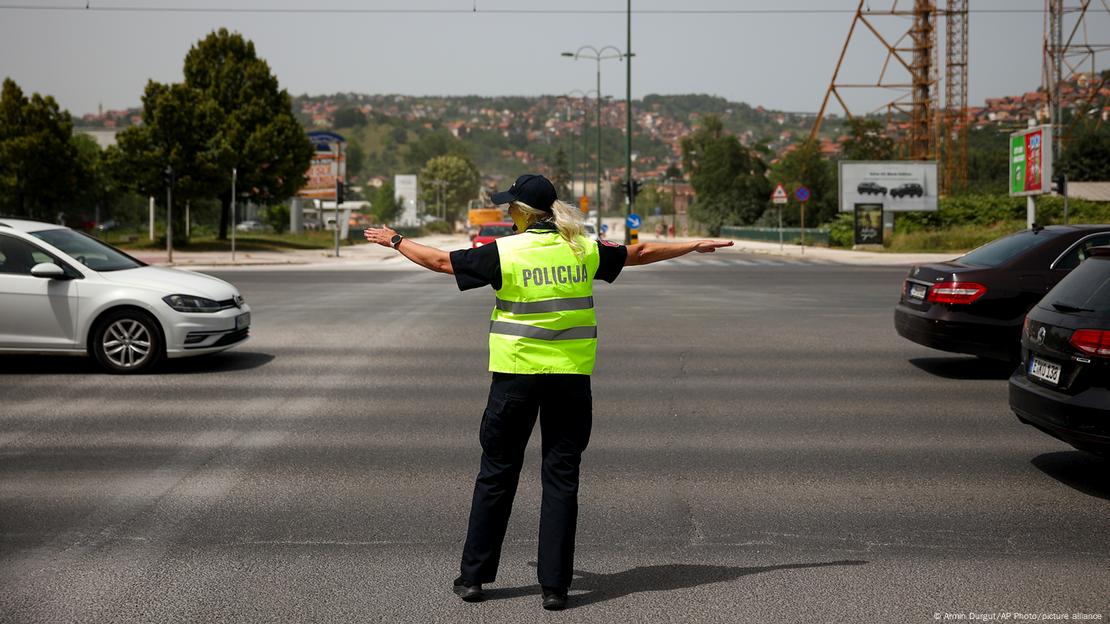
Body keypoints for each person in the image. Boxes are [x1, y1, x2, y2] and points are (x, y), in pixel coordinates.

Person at [363, 174, 732, 611]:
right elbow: (642, 252)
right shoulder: (582, 248)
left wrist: (396, 239)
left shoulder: (506, 251)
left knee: (497, 475)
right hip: (570, 381)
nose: (506, 212)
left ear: (522, 212)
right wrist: (692, 245)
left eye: (509, 207)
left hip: (515, 378)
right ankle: (555, 587)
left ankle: (474, 579)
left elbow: (444, 263)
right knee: (561, 479)